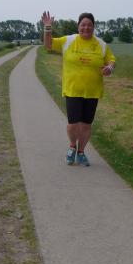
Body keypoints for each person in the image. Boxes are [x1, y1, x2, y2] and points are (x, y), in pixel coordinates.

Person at [42, 11, 116, 166]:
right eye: (83, 24)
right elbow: (48, 45)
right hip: (73, 90)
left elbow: (111, 61)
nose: (86, 28)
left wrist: (110, 68)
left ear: (93, 27)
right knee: (73, 123)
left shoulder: (101, 45)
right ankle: (72, 147)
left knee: (86, 124)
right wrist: (48, 28)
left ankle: (81, 152)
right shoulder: (68, 41)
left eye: (89, 25)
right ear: (78, 26)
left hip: (92, 91)